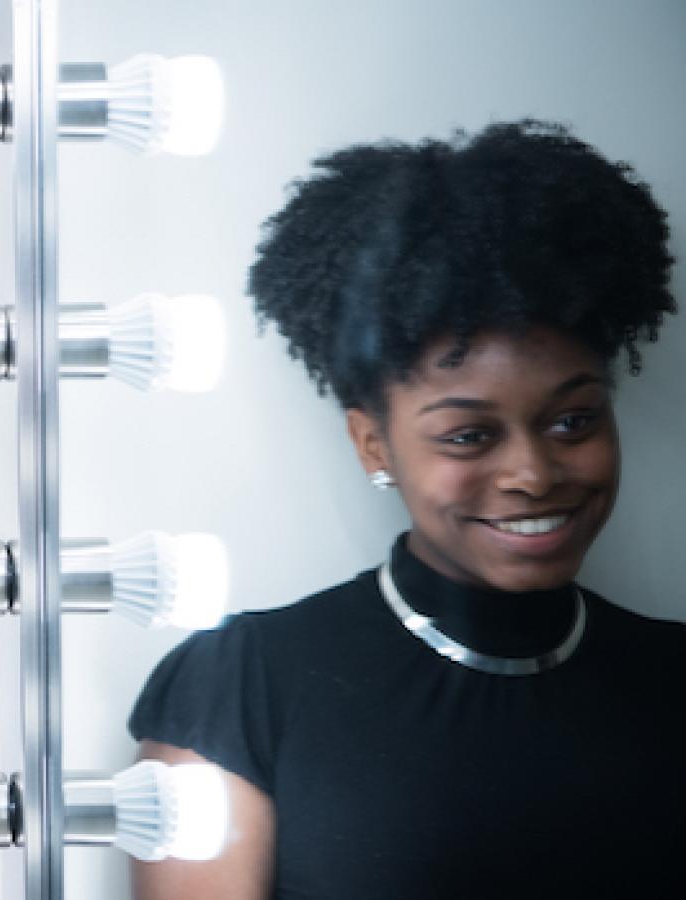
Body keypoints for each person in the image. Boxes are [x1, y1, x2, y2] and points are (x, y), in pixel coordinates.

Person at [129, 121, 683, 899]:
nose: (532, 472)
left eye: (573, 421)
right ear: (374, 446)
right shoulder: (245, 685)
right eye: (467, 435)